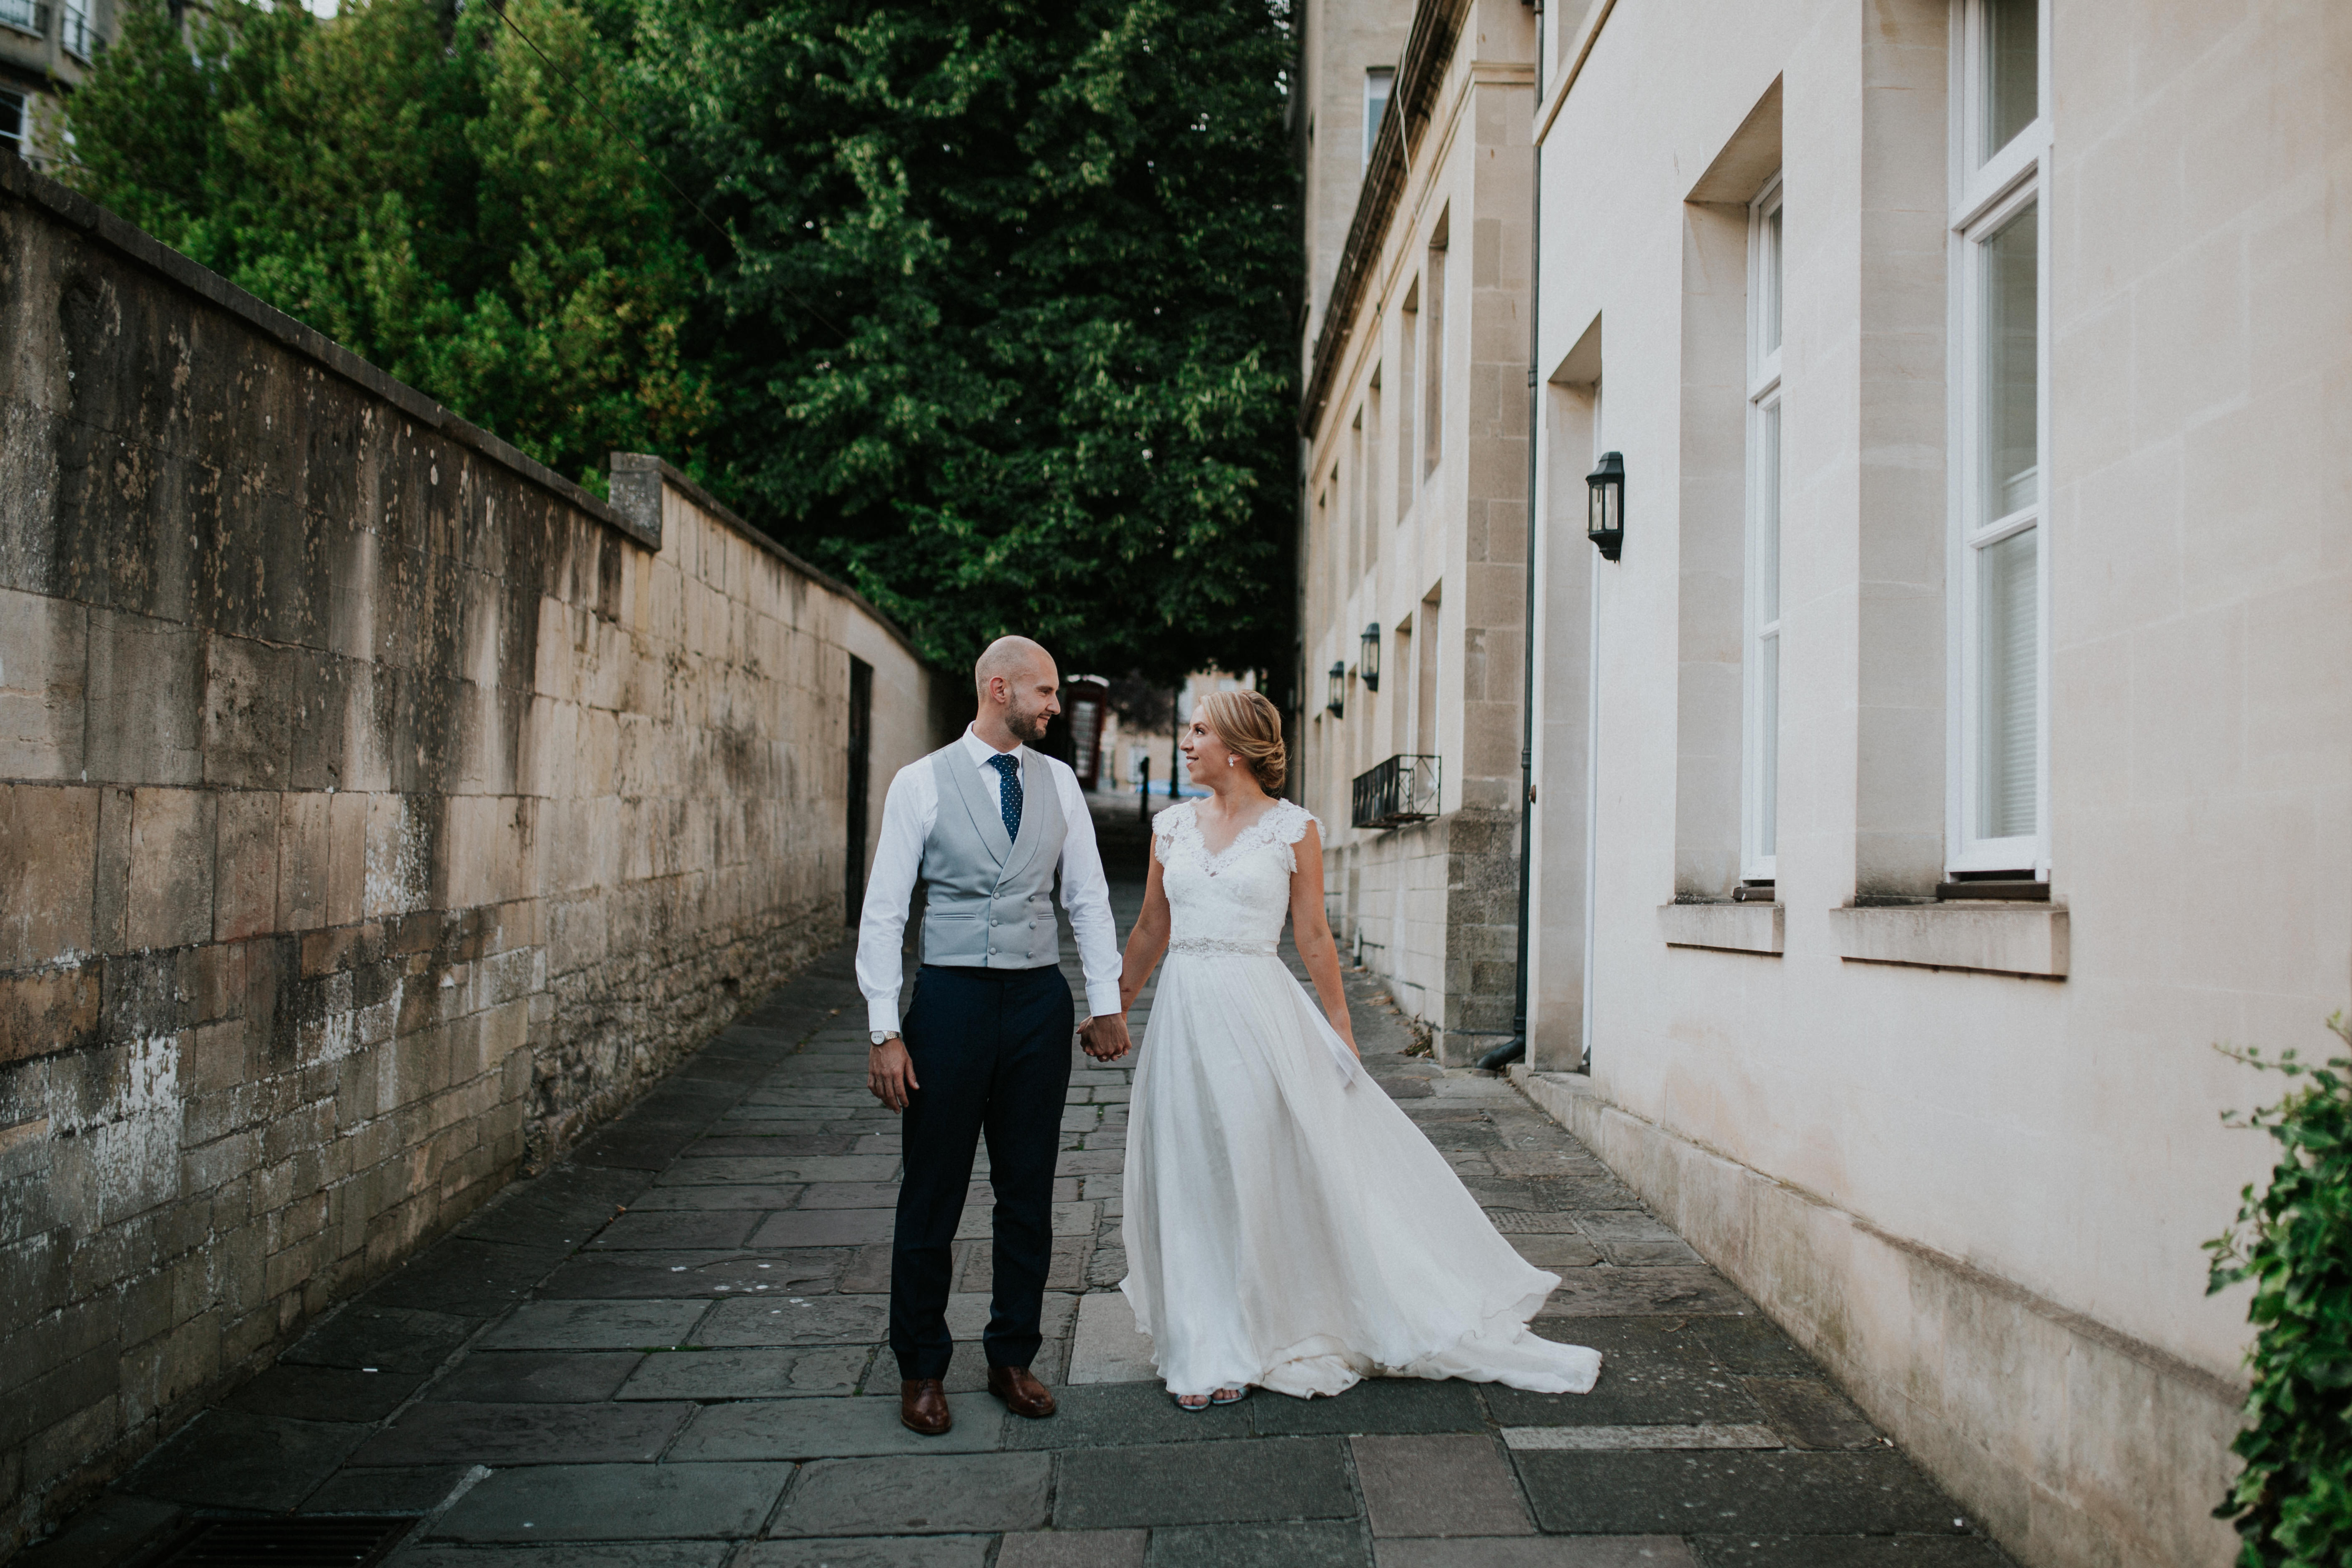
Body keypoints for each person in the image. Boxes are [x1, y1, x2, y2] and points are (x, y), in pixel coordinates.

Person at [1115, 690, 1601, 1408]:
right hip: (1183, 1017)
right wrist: (1112, 1008)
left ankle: (1261, 1325)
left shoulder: (1293, 829)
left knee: (1251, 1162)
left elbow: (1312, 935)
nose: (1185, 742)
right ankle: (1204, 1340)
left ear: (1238, 748)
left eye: (1198, 730)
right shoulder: (1170, 828)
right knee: (1189, 1169)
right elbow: (1152, 927)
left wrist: (1341, 1029)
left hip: (1257, 1012)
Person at [856, 636, 1132, 1436]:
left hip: (1036, 1006)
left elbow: (1084, 897)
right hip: (947, 1003)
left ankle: (1011, 1354)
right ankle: (920, 1368)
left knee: (1027, 1192)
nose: (1055, 705)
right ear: (999, 687)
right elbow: (883, 912)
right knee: (932, 1191)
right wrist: (885, 1029)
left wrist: (1104, 999)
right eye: (1045, 692)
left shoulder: (1059, 784)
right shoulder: (921, 782)